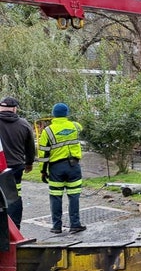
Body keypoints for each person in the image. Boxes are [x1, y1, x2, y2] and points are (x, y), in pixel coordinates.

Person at [38, 103, 86, 234]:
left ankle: (56, 226)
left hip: (56, 168)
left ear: (53, 114)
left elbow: (43, 153)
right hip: (74, 167)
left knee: (56, 197)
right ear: (66, 113)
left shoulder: (47, 131)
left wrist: (43, 171)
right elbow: (81, 128)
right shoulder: (75, 126)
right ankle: (75, 224)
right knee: (74, 196)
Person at [0, 97, 35, 230]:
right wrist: (29, 163)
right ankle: (15, 228)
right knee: (14, 196)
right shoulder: (24, 124)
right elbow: (30, 147)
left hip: (0, 166)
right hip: (15, 167)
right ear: (15, 109)